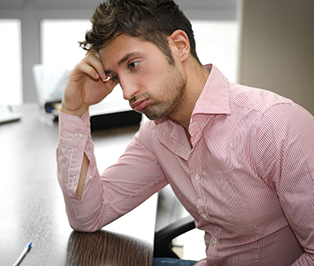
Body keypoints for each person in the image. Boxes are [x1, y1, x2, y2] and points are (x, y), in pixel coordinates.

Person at [56, 0, 314, 265]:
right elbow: (88, 216)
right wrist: (74, 109)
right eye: (116, 76)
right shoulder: (157, 135)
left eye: (132, 64)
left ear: (179, 45)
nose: (126, 92)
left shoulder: (275, 125)